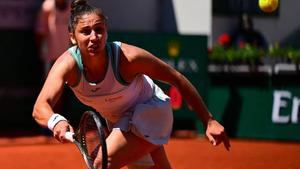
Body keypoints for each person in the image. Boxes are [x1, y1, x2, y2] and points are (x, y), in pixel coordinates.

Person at [32, 0, 230, 168]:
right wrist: (55, 120)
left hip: (151, 111)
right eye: (85, 31)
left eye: (99, 30)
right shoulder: (67, 64)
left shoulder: (128, 57)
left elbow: (176, 77)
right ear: (73, 37)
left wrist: (209, 120)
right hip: (120, 121)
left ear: (106, 33)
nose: (94, 37)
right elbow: (40, 106)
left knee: (101, 164)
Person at [35, 0, 71, 77]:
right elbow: (40, 31)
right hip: (50, 55)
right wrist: (40, 49)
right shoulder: (47, 6)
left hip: (68, 56)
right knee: (49, 80)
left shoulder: (73, 7)